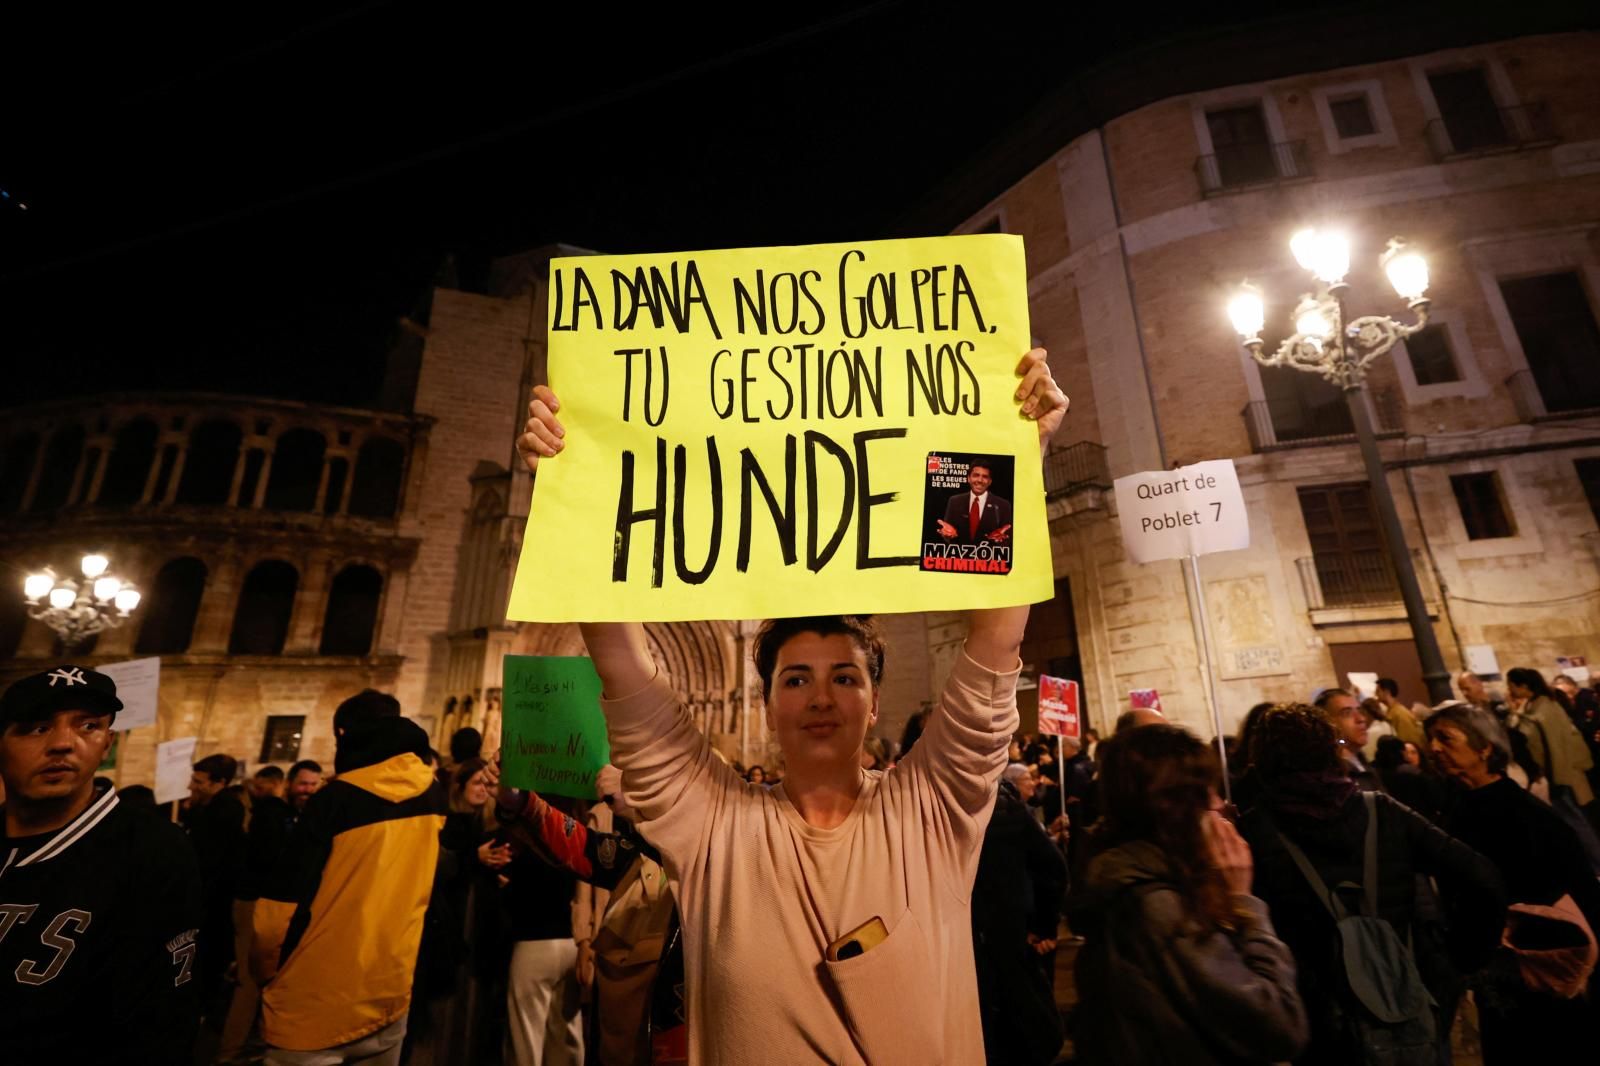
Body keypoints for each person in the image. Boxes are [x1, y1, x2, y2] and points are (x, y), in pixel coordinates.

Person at [515, 346, 1067, 1063]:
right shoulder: (711, 827)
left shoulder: (933, 809)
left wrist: (1012, 455)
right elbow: (623, 668)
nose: (821, 698)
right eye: (796, 679)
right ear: (768, 703)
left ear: (874, 705)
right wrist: (572, 490)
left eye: (845, 677)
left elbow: (994, 646)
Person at [1239, 704, 1506, 1066]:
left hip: (1319, 1019)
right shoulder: (1382, 811)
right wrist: (1458, 960)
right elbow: (1483, 877)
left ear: (1263, 761)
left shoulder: (1253, 833)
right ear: (1331, 750)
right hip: (1406, 992)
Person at [0, 665, 203, 1066]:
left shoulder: (152, 851)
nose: (63, 743)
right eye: (37, 728)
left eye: (88, 726)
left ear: (107, 742)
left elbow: (157, 1024)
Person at [1070, 724, 1307, 1065]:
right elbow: (1279, 1024)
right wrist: (1245, 903)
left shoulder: (1131, 882)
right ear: (1179, 808)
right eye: (1209, 793)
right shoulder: (1158, 906)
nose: (1222, 805)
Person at [251, 690, 446, 1066]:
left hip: (312, 1000)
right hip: (389, 990)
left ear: (344, 734)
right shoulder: (433, 794)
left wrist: (264, 972)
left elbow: (281, 905)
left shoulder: (334, 800)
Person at [1424, 703, 1600, 1063]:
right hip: (1491, 965)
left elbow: (1576, 886)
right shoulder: (1457, 805)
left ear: (1484, 747)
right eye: (1431, 739)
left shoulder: (1525, 815)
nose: (1434, 748)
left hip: (1536, 961)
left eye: (1446, 738)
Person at [973, 762, 1068, 1065]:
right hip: (1003, 932)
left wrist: (1042, 925)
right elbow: (1051, 868)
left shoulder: (1003, 809)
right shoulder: (1004, 806)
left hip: (991, 936)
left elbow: (1051, 869)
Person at [218, 763, 302, 1062]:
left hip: (255, 901)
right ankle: (231, 1051)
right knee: (250, 981)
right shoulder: (274, 813)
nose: (254, 788)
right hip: (258, 902)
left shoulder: (267, 813)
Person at [1505, 667, 1600, 871]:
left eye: (1511, 685)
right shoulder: (1535, 705)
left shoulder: (1545, 707)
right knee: (1573, 822)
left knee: (1576, 822)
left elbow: (1553, 744)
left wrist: (1559, 778)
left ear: (1522, 686)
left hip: (1560, 775)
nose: (1509, 689)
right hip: (1554, 775)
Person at [186, 752, 246, 1017]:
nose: (192, 786)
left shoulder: (225, 812)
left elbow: (208, 863)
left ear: (219, 783)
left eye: (199, 782)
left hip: (213, 908)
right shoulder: (206, 808)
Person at [1313, 688, 1380, 792]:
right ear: (1327, 723)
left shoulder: (1360, 758)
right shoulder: (1333, 777)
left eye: (1359, 710)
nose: (1361, 719)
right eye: (1347, 713)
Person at [936, 459, 1013, 545]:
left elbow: (1008, 540)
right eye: (976, 475)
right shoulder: (954, 501)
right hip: (959, 556)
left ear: (990, 482)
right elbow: (948, 535)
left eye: (985, 476)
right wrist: (948, 535)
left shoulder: (1003, 505)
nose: (980, 480)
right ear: (969, 478)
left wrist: (999, 540)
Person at [1375, 678, 1425, 749]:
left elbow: (1409, 741)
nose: (1375, 694)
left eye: (1378, 691)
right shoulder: (1391, 712)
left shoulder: (1400, 714)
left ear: (1386, 692)